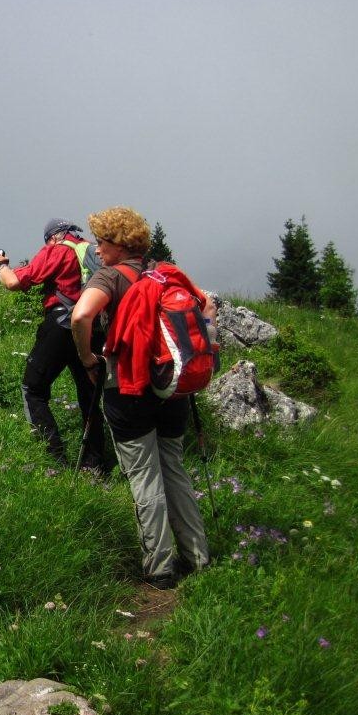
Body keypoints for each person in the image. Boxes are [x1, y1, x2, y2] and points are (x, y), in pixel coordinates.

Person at [70, 206, 214, 589]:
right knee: (174, 470)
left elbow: (81, 316)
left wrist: (88, 358)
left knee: (144, 477)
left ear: (118, 245)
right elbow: (207, 308)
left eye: (101, 242)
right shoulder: (164, 273)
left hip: (127, 389)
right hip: (172, 388)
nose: (97, 250)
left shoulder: (110, 277)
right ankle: (198, 557)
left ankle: (160, 567)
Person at [0, 218, 107, 471]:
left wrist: (1, 267)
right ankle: (95, 466)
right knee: (89, 397)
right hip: (94, 331)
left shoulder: (58, 249)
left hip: (62, 327)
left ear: (53, 236)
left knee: (33, 389)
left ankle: (53, 458)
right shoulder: (95, 251)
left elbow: (15, 282)